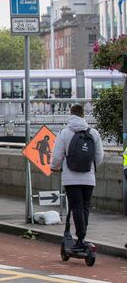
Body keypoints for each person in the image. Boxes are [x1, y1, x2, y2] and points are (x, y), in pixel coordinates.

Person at [50, 103, 104, 250]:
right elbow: (99, 156)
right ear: (83, 115)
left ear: (70, 114)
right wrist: (91, 167)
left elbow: (56, 156)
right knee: (85, 206)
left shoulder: (64, 133)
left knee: (76, 206)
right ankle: (82, 236)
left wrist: (54, 167)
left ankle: (80, 238)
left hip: (70, 178)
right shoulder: (93, 133)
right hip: (89, 177)